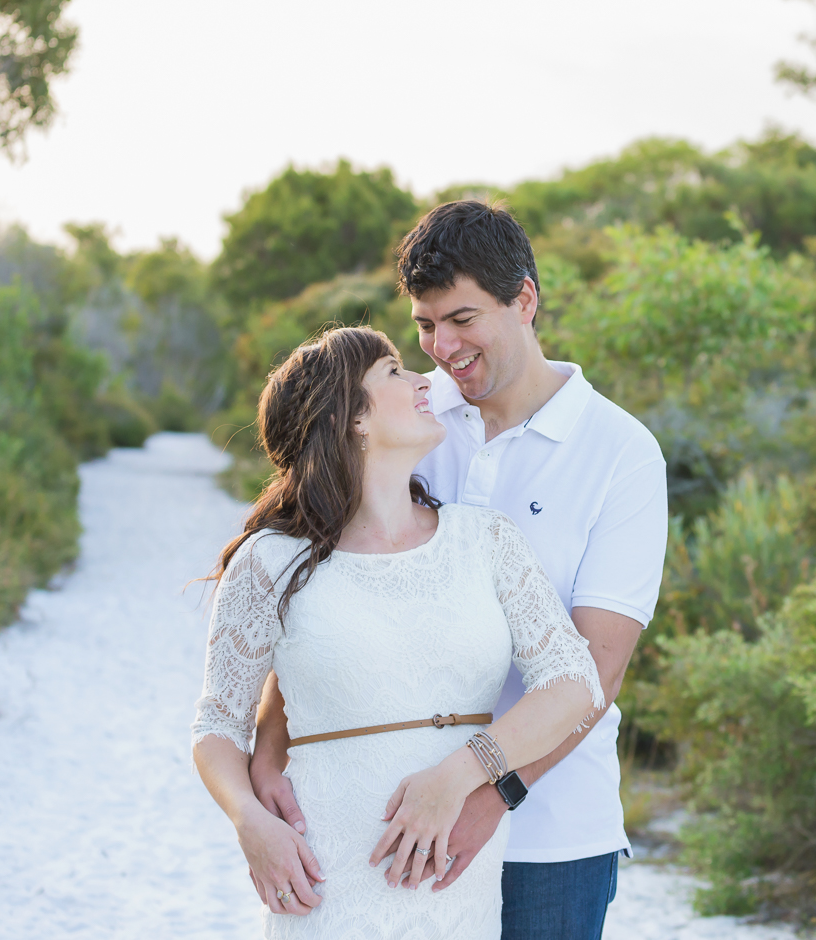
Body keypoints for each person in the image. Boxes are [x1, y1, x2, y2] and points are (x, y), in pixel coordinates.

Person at [250, 202, 669, 939]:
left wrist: (484, 796)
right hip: (389, 820)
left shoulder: (621, 455)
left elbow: (594, 675)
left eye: (463, 319)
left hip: (550, 835)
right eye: (423, 325)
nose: (441, 347)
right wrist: (268, 767)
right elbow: (317, 588)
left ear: (526, 300)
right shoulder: (406, 418)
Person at [191, 325, 605, 939]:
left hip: (452, 878)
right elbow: (217, 724)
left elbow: (575, 684)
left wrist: (461, 775)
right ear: (351, 419)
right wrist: (249, 822)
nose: (422, 381)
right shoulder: (269, 562)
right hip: (322, 880)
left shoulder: (485, 540)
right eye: (393, 371)